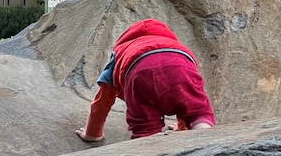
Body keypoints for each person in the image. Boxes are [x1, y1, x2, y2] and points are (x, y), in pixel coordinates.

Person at [76, 18, 215, 141]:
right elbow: (186, 93)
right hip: (181, 64)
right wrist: (183, 125)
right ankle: (206, 141)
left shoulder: (121, 51)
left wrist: (92, 132)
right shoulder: (173, 45)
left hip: (140, 72)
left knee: (145, 128)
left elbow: (103, 99)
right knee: (198, 112)